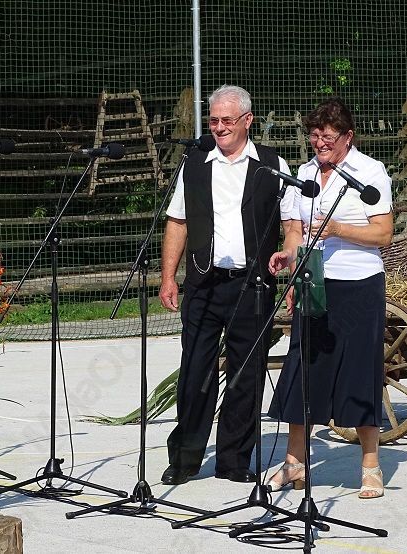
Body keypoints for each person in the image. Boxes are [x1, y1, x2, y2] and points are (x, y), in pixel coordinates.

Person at [159, 85, 299, 485]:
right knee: (195, 372)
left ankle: (235, 460)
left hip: (252, 285)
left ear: (247, 120)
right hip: (203, 283)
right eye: (213, 120)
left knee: (246, 374)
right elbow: (177, 222)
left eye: (226, 120)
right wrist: (168, 277)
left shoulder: (272, 165)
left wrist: (290, 264)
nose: (219, 128)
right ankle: (185, 459)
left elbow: (292, 224)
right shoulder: (195, 163)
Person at [265, 97, 393, 499]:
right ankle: (295, 463)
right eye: (315, 135)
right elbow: (294, 230)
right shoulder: (304, 174)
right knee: (304, 370)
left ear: (347, 137)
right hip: (313, 280)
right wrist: (288, 257)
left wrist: (339, 229)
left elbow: (383, 233)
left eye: (328, 136)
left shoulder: (370, 172)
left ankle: (370, 466)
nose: (320, 142)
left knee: (359, 371)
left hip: (359, 284)